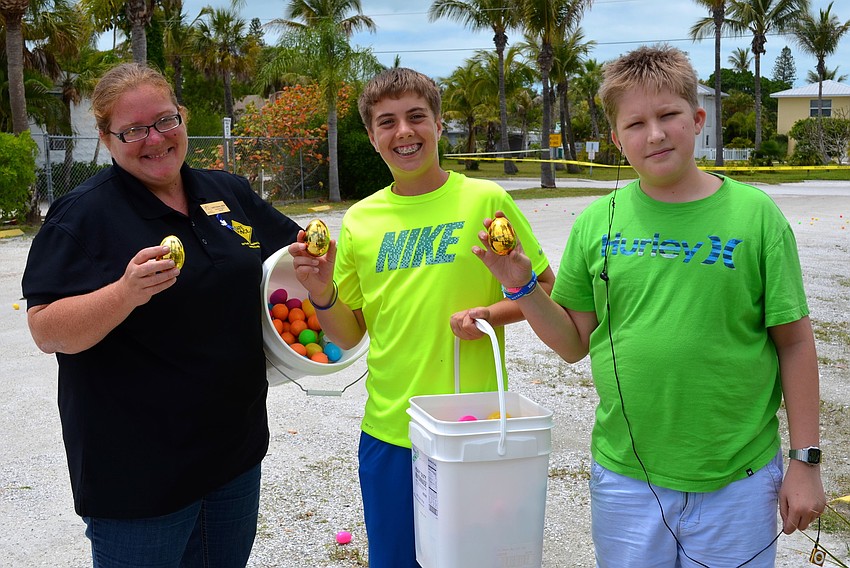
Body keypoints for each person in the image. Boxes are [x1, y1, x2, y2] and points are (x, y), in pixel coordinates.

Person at [471, 45, 826, 567]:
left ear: (698, 119)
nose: (654, 134)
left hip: (738, 481)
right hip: (625, 481)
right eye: (635, 123)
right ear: (617, 138)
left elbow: (794, 343)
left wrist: (805, 461)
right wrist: (522, 287)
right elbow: (573, 343)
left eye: (668, 116)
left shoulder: (757, 218)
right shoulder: (597, 223)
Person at [21, 62, 302, 567]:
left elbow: (293, 258)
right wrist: (124, 292)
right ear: (108, 139)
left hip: (232, 456)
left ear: (183, 118)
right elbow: (46, 330)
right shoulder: (82, 216)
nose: (154, 139)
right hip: (137, 477)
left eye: (165, 120)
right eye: (133, 130)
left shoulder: (225, 191)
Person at [288, 67, 556, 567]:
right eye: (387, 122)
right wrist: (322, 294)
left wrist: (489, 313)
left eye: (416, 117)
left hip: (471, 426)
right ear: (372, 138)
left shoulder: (485, 200)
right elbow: (348, 334)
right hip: (390, 431)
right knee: (395, 560)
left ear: (437, 123)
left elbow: (541, 287)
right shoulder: (363, 220)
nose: (404, 131)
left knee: (476, 558)